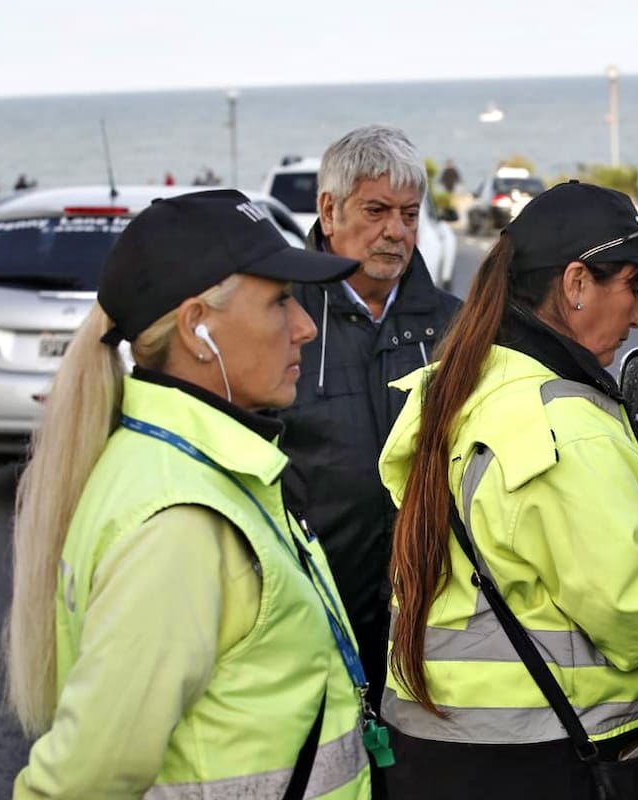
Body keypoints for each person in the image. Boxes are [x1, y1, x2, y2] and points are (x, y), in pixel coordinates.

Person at [378, 181, 638, 798]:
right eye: (633, 287)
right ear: (576, 284)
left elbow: (544, 532)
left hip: (450, 752)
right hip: (541, 759)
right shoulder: (560, 423)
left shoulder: (473, 386)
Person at [5, 189, 372, 798]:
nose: (306, 326)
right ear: (198, 327)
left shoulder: (187, 468)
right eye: (280, 301)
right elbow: (81, 779)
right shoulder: (181, 520)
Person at [279, 125, 461, 717]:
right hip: (309, 626)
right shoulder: (277, 321)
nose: (396, 232)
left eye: (409, 215)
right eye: (377, 210)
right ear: (328, 210)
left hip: (437, 635)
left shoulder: (458, 330)